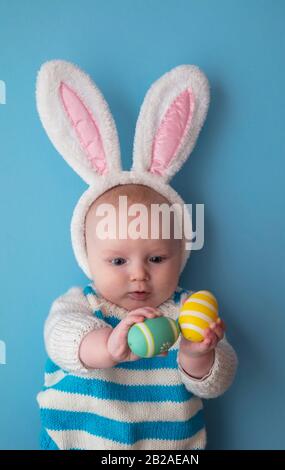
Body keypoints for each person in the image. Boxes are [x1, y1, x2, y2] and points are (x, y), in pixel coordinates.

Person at [36, 60, 238, 450]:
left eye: (157, 258)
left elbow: (219, 381)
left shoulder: (187, 313)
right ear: (87, 255)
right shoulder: (82, 305)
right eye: (117, 261)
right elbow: (59, 339)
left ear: (181, 255)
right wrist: (107, 345)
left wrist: (199, 355)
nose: (139, 276)